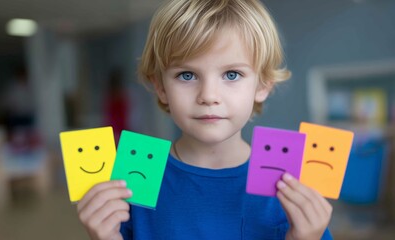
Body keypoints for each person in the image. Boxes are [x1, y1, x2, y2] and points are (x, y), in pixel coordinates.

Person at [77, 0, 333, 239]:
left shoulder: (291, 183)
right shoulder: (132, 182)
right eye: (187, 75)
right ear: (161, 88)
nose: (208, 96)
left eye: (232, 74)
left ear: (263, 84)